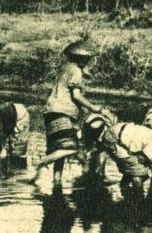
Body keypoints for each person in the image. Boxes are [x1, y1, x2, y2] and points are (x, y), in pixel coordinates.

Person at [29, 40, 108, 189]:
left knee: (59, 149)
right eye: (87, 60)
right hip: (63, 111)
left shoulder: (64, 68)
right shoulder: (76, 71)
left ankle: (57, 181)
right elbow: (76, 96)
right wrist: (93, 107)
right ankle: (41, 163)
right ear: (82, 59)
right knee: (70, 148)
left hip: (51, 110)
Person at [82, 114, 152, 199]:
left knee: (134, 168)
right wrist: (151, 197)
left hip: (119, 130)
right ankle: (139, 200)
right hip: (119, 137)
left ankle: (125, 190)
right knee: (137, 173)